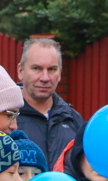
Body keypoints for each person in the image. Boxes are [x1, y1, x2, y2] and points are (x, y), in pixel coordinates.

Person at [16, 38, 84, 166]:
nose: (45, 78)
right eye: (36, 68)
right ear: (21, 71)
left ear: (60, 72)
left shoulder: (73, 120)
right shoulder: (7, 120)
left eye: (52, 69)